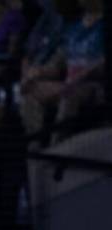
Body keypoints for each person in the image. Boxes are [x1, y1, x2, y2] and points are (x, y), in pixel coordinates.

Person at [19, 0, 105, 138]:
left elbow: (103, 63)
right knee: (30, 90)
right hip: (68, 82)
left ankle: (57, 145)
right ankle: (34, 145)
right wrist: (37, 72)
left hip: (95, 85)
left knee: (69, 94)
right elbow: (59, 63)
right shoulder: (73, 27)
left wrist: (81, 76)